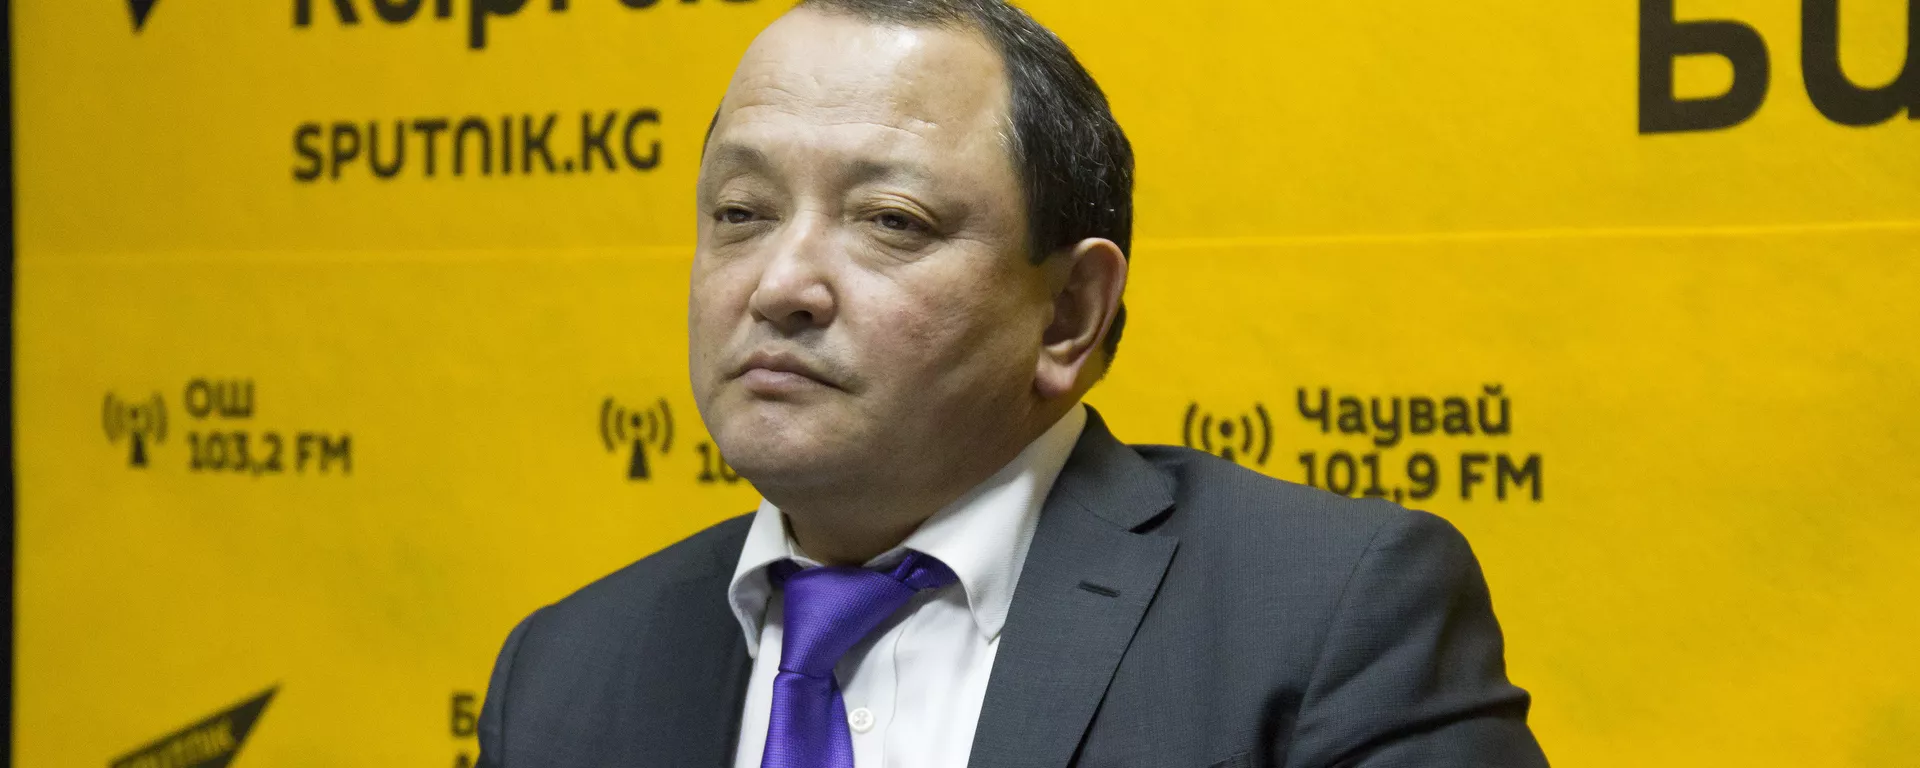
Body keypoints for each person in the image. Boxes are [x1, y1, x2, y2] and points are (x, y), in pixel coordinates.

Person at [476, 1, 1548, 765]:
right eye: (741, 214)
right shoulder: (567, 671)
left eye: (890, 221)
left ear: (1070, 313)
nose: (781, 284)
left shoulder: (1325, 617)